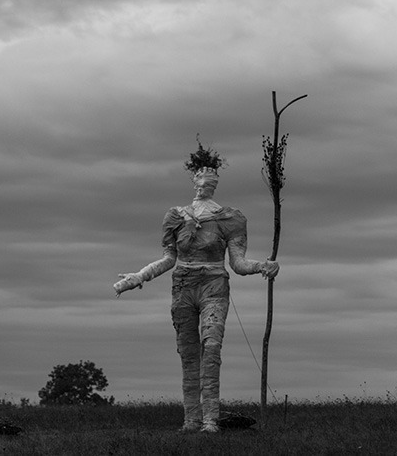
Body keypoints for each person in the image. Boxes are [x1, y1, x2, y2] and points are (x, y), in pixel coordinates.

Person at [113, 155, 279, 433]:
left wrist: (262, 266)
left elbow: (237, 263)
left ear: (215, 184)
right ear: (193, 182)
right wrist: (139, 276)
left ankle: (211, 420)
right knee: (188, 354)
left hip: (214, 284)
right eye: (200, 179)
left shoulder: (230, 218)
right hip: (183, 286)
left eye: (209, 179)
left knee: (211, 347)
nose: (204, 184)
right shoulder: (176, 216)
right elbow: (168, 257)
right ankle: (191, 420)